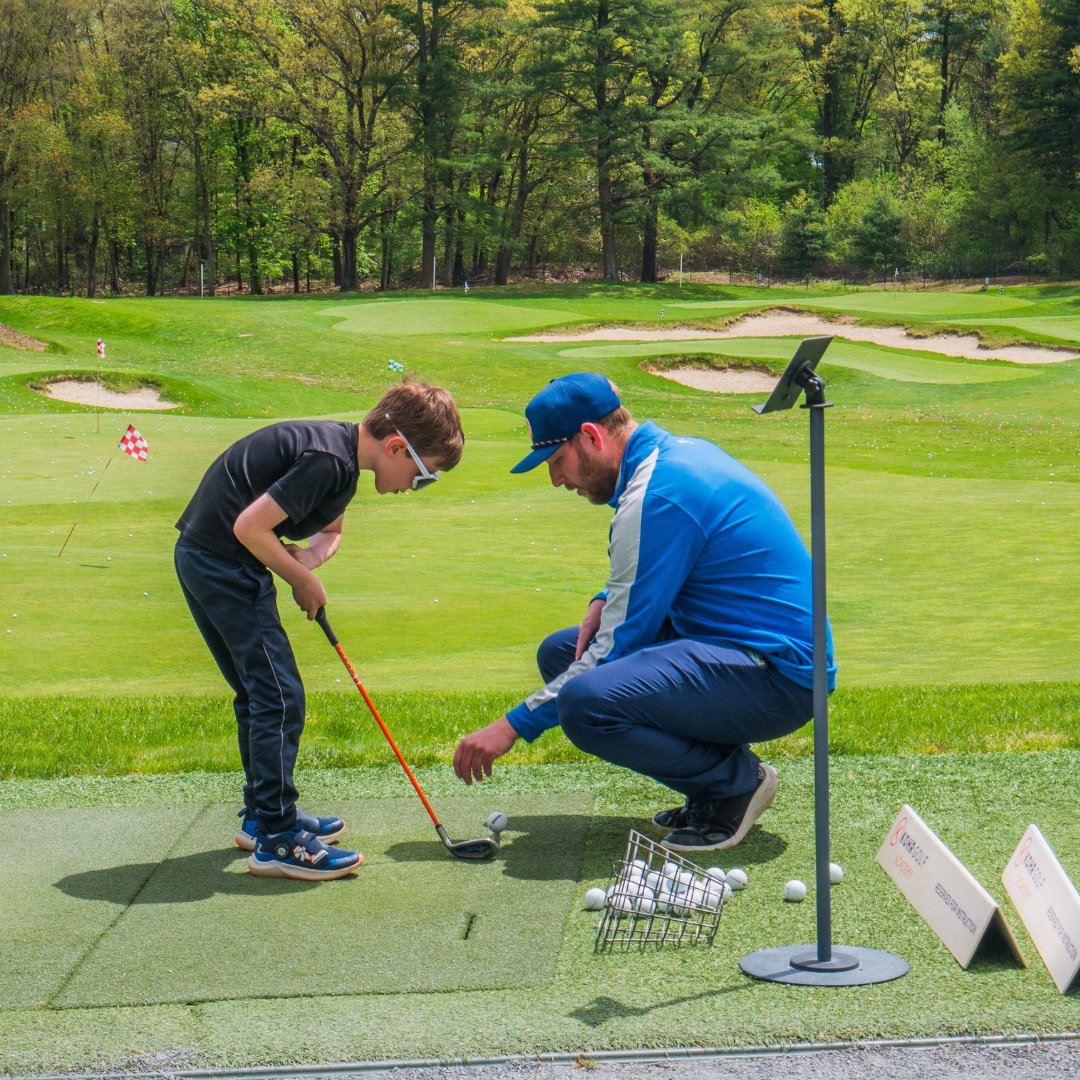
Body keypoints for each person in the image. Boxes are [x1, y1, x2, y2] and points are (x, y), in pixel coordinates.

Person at [452, 373, 833, 852]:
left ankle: (733, 785)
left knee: (585, 700)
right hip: (739, 652)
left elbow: (617, 648)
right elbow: (661, 565)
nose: (555, 479)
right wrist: (600, 600)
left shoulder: (656, 493)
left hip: (779, 677)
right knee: (562, 654)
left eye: (556, 460)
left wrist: (511, 726)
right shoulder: (670, 459)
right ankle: (719, 780)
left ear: (590, 436)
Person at [175, 379, 464, 880]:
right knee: (280, 696)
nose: (413, 489)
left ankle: (262, 817)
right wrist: (302, 579)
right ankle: (279, 839)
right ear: (397, 448)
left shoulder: (341, 461)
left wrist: (307, 559)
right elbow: (249, 528)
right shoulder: (328, 460)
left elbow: (330, 532)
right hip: (221, 564)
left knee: (258, 693)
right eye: (423, 476)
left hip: (210, 560)